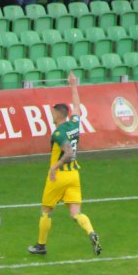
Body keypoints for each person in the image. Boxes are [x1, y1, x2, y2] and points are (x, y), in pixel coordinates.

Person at [28, 72, 101, 257]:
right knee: (76, 213)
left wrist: (54, 167)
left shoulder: (59, 133)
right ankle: (91, 232)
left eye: (53, 112)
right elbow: (77, 106)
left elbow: (68, 153)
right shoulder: (75, 123)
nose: (51, 115)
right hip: (74, 175)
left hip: (59, 176)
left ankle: (41, 245)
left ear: (58, 115)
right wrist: (73, 85)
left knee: (46, 211)